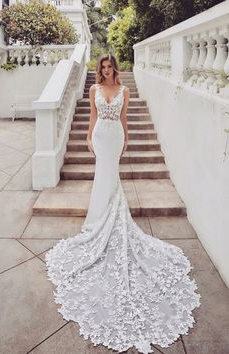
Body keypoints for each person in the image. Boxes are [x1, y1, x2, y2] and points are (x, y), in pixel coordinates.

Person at [45, 54, 201, 354]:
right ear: (99, 70)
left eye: (109, 67)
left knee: (110, 177)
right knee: (102, 179)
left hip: (114, 136)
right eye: (102, 68)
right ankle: (98, 221)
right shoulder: (93, 90)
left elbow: (124, 118)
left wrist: (127, 139)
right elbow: (92, 117)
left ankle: (109, 219)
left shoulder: (125, 91)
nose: (105, 71)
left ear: (114, 68)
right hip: (100, 137)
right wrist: (88, 139)